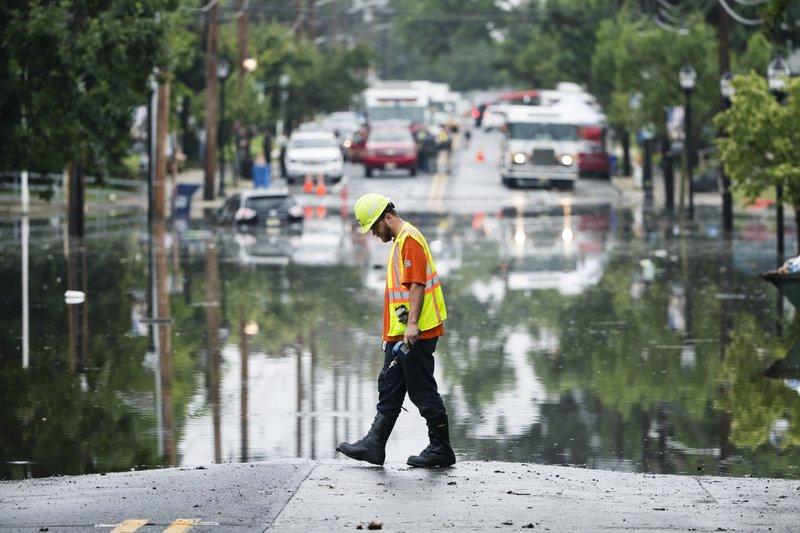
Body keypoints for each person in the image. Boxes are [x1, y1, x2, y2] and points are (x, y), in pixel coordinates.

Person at [337, 194, 455, 468]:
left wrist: (412, 325)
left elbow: (416, 285)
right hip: (402, 333)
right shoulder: (401, 241)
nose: (376, 235)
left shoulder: (410, 239)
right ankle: (374, 445)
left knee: (422, 390)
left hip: (416, 333)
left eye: (376, 228)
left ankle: (441, 448)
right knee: (389, 387)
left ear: (388, 218)